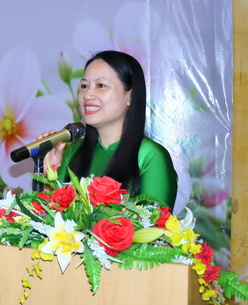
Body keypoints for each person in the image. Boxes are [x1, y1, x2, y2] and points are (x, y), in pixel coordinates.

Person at [40, 50, 178, 208]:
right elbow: (51, 217)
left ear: (130, 96)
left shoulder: (150, 156)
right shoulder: (71, 152)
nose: (87, 94)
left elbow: (155, 220)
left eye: (101, 85)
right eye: (84, 86)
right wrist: (49, 177)